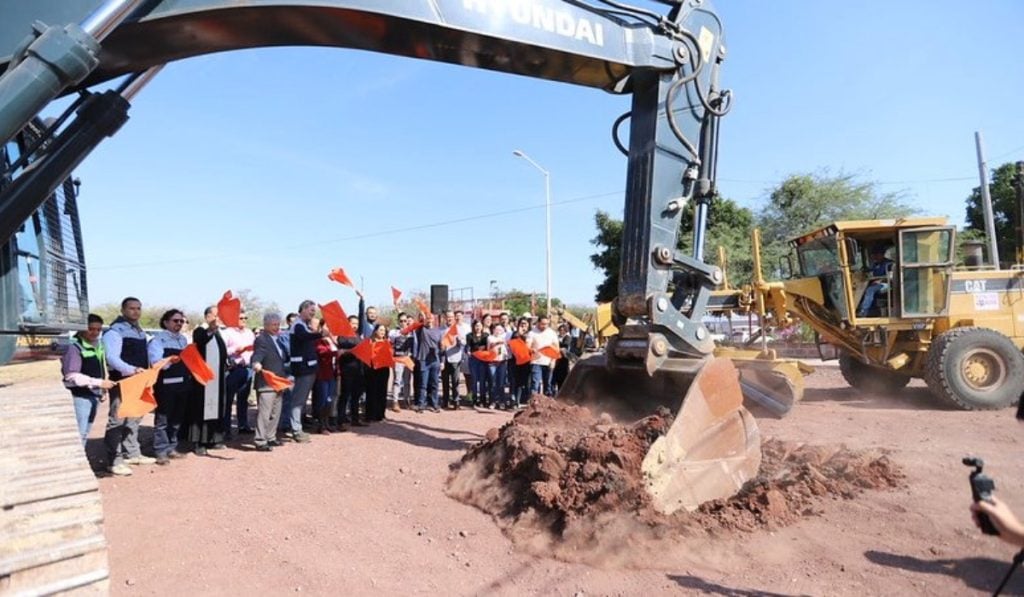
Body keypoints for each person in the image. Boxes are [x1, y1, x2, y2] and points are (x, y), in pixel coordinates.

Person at [103, 297, 155, 476]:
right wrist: (131, 370)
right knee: (117, 420)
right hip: (123, 381)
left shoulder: (139, 331)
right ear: (123, 310)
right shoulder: (115, 331)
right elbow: (112, 358)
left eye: (138, 308)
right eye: (132, 308)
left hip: (139, 381)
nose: (136, 312)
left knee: (134, 417)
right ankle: (114, 460)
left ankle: (132, 453)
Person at [61, 313, 114, 448]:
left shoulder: (99, 346)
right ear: (81, 328)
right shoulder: (74, 347)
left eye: (98, 329)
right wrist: (99, 383)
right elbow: (71, 375)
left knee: (86, 431)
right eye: (91, 329)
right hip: (80, 396)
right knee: (80, 433)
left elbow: (102, 369)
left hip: (94, 394)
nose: (95, 332)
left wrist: (102, 390)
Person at [148, 309, 192, 464]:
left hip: (182, 384)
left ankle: (172, 447)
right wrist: (169, 361)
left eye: (182, 321)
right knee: (163, 419)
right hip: (165, 385)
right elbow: (155, 363)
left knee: (177, 418)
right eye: (175, 321)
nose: (179, 324)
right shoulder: (158, 340)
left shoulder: (183, 340)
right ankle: (160, 450)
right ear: (166, 322)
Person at [185, 306, 230, 455]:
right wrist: (211, 330)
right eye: (216, 315)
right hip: (203, 378)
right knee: (201, 409)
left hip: (217, 377)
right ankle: (200, 442)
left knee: (217, 407)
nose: (219, 318)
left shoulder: (218, 333)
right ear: (208, 316)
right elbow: (201, 342)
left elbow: (221, 351)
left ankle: (214, 438)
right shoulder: (201, 330)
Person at [250, 312, 288, 451]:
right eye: (273, 325)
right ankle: (260, 440)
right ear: (265, 325)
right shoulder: (262, 339)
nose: (276, 327)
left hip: (279, 382)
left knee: (276, 412)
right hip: (266, 383)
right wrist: (256, 363)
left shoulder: (278, 339)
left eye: (278, 324)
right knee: (264, 414)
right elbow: (257, 353)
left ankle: (271, 437)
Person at [286, 300, 318, 443]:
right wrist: (320, 334)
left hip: (308, 368)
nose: (313, 313)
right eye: (311, 310)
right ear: (303, 309)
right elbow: (304, 336)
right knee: (298, 401)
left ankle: (298, 427)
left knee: (301, 400)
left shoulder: (303, 325)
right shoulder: (298, 325)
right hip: (302, 369)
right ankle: (296, 430)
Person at [221, 310, 255, 436]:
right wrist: (235, 349)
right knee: (228, 400)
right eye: (241, 318)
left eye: (245, 318)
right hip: (233, 369)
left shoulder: (249, 333)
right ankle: (226, 428)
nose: (244, 320)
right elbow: (222, 350)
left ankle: (243, 425)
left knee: (243, 399)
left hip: (247, 368)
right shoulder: (227, 333)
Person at [337, 314, 367, 428]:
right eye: (353, 323)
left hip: (358, 369)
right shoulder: (343, 336)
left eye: (356, 323)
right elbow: (343, 350)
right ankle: (341, 419)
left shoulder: (358, 335)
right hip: (347, 369)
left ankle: (355, 418)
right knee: (345, 395)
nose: (355, 325)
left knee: (356, 395)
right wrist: (354, 350)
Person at [414, 312, 445, 413]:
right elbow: (417, 323)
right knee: (423, 384)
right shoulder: (421, 329)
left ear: (434, 319)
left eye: (431, 318)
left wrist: (442, 361)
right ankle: (421, 404)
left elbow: (442, 348)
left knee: (435, 384)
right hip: (423, 360)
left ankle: (434, 404)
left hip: (435, 360)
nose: (429, 320)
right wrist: (422, 313)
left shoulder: (439, 331)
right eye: (427, 318)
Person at [313, 319, 338, 433]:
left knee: (329, 399)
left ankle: (326, 422)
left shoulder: (331, 340)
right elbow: (321, 352)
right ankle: (321, 424)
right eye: (327, 326)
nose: (329, 328)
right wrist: (336, 353)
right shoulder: (318, 340)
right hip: (322, 374)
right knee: (322, 399)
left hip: (332, 373)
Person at [389, 311, 416, 411]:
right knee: (397, 381)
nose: (403, 323)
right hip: (398, 359)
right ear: (398, 321)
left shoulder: (412, 332)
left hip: (408, 359)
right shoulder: (393, 332)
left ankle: (407, 401)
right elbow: (390, 344)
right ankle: (395, 402)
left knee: (407, 381)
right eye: (401, 321)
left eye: (405, 321)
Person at [856, 245, 894, 317]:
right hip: (876, 283)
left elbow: (892, 276)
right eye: (873, 255)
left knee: (870, 290)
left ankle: (864, 310)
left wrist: (881, 280)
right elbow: (870, 272)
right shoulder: (876, 264)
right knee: (862, 289)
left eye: (877, 255)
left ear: (882, 254)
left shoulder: (889, 264)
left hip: (887, 284)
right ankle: (869, 311)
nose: (875, 257)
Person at [364, 323, 391, 421]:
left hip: (384, 369)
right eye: (380, 330)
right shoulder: (370, 341)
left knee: (382, 392)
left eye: (384, 330)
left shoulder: (387, 342)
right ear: (375, 331)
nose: (382, 332)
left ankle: (381, 415)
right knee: (371, 392)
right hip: (372, 369)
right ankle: (370, 415)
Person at [527, 315, 559, 397]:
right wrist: (531, 349)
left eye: (546, 324)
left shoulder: (552, 333)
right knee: (535, 383)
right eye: (542, 324)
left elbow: (556, 348)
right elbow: (527, 346)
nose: (544, 326)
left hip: (548, 362)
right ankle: (534, 402)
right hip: (536, 361)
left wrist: (553, 361)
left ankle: (547, 404)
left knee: (548, 384)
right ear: (538, 323)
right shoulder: (532, 333)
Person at [440, 310, 466, 409]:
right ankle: (445, 401)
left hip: (455, 357)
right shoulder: (441, 329)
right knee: (445, 381)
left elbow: (464, 343)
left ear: (454, 318)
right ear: (445, 318)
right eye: (447, 317)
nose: (449, 318)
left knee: (455, 381)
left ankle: (456, 401)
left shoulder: (459, 329)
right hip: (444, 358)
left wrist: (459, 340)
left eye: (451, 317)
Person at [465, 319, 489, 407]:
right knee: (474, 380)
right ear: (473, 327)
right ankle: (474, 399)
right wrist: (467, 351)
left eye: (479, 326)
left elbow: (488, 346)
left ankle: (483, 399)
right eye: (476, 326)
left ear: (482, 326)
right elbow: (467, 346)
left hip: (483, 360)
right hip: (473, 359)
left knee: (482, 380)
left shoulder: (486, 336)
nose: (478, 328)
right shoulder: (469, 336)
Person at [508, 319, 531, 409]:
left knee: (527, 382)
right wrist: (519, 333)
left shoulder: (531, 334)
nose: (523, 325)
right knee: (516, 382)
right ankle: (515, 401)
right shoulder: (514, 334)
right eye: (522, 324)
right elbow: (512, 343)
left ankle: (526, 400)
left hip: (528, 361)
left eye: (525, 324)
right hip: (515, 361)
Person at [488, 323, 510, 409]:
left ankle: (502, 401)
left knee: (501, 383)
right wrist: (500, 341)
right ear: (493, 330)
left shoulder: (505, 337)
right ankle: (493, 401)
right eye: (496, 329)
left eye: (500, 330)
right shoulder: (490, 337)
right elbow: (491, 344)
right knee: (493, 382)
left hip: (502, 362)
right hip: (492, 362)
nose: (498, 331)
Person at [551, 323, 572, 394]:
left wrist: (557, 346)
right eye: (560, 330)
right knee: (554, 378)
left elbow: (565, 346)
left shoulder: (567, 337)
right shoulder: (557, 337)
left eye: (563, 330)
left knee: (562, 378)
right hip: (556, 360)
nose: (561, 331)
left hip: (563, 361)